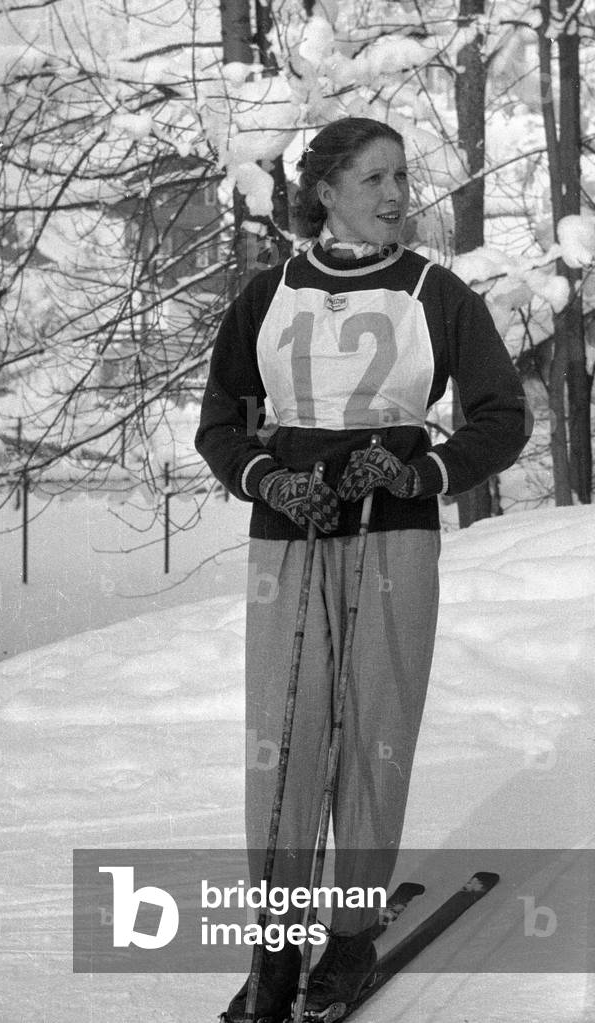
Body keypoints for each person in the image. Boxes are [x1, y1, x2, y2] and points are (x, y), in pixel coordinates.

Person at [195, 117, 530, 1023]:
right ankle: (274, 948)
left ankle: (348, 939)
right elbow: (220, 423)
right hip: (288, 533)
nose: (395, 196)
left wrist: (421, 469)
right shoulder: (267, 295)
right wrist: (266, 476)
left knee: (378, 729)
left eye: (402, 178)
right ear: (327, 189)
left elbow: (502, 416)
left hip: (395, 532)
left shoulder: (436, 291)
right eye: (375, 178)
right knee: (287, 737)